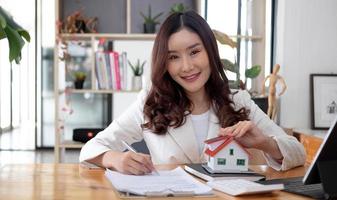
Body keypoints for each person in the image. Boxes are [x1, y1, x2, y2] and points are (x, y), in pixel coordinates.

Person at [79, 11, 305, 175]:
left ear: (210, 51)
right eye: (173, 57)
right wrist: (115, 159)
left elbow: (298, 152)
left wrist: (264, 143)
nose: (186, 66)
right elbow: (91, 148)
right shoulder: (149, 103)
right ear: (164, 63)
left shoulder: (238, 100)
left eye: (194, 52)